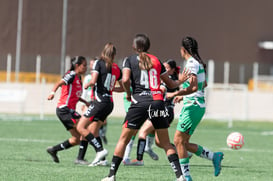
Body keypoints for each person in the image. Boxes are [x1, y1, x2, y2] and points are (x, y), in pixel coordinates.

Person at [102, 34, 189, 181]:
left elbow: (125, 80)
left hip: (139, 103)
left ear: (134, 47)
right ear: (149, 46)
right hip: (157, 102)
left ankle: (111, 176)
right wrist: (180, 80)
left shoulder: (129, 60)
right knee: (166, 143)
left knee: (123, 139)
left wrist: (129, 94)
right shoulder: (157, 61)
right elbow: (171, 85)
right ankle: (180, 176)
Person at [166, 36, 224, 181]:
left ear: (183, 49)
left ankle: (185, 177)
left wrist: (176, 93)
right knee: (183, 143)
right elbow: (202, 85)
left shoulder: (191, 63)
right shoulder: (197, 63)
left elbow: (193, 87)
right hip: (196, 105)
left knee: (178, 141)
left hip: (193, 106)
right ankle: (213, 156)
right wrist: (184, 95)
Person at [125, 59, 180, 166]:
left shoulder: (170, 79)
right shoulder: (169, 79)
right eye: (163, 67)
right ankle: (183, 152)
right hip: (163, 111)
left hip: (163, 111)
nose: (164, 70)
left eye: (167, 68)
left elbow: (162, 90)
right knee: (160, 142)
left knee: (142, 133)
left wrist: (149, 88)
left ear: (173, 70)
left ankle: (139, 159)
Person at [77, 42, 122, 167]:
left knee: (80, 127)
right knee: (94, 130)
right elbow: (123, 87)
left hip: (99, 101)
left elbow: (94, 80)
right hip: (109, 104)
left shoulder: (99, 63)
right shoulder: (117, 68)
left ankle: (100, 151)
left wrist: (88, 84)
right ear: (114, 55)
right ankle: (101, 159)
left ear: (103, 52)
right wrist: (115, 90)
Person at [46, 56, 89, 164]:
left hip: (67, 110)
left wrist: (85, 102)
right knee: (84, 128)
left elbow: (74, 95)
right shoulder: (71, 74)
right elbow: (58, 83)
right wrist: (52, 93)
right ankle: (80, 159)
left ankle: (54, 150)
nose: (86, 67)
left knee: (77, 139)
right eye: (84, 65)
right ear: (77, 66)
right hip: (64, 109)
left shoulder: (79, 78)